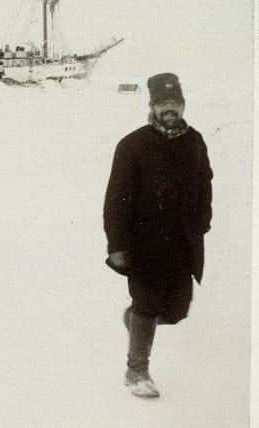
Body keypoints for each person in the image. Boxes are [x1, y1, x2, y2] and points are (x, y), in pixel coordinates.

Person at [103, 72, 213, 398]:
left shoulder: (194, 141)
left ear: (183, 105)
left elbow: (205, 184)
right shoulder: (133, 145)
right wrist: (117, 245)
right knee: (148, 301)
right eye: (163, 103)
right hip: (143, 243)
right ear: (152, 106)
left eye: (175, 103)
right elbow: (116, 200)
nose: (170, 109)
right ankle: (136, 371)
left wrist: (202, 222)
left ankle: (136, 319)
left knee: (177, 310)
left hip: (181, 243)